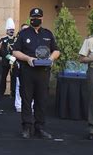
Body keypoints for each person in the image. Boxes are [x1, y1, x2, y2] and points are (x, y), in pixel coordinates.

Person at [13, 8, 60, 139]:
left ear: (42, 18)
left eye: (38, 17)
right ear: (30, 18)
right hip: (27, 71)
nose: (36, 19)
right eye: (33, 17)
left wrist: (51, 58)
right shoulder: (23, 34)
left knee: (42, 100)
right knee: (26, 100)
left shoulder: (48, 34)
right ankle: (27, 127)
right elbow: (15, 51)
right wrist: (28, 58)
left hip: (43, 72)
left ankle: (40, 127)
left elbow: (56, 50)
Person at [14, 23, 33, 113]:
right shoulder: (18, 40)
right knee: (19, 86)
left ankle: (32, 105)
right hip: (20, 66)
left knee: (32, 88)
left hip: (32, 68)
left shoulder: (33, 40)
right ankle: (18, 105)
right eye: (23, 29)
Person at [0, 18, 17, 97]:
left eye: (12, 30)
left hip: (14, 62)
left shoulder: (17, 40)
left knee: (14, 78)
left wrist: (14, 57)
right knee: (3, 78)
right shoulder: (3, 40)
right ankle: (1, 93)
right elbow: (2, 50)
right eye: (10, 29)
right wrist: (9, 56)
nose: (11, 31)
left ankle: (13, 93)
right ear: (6, 31)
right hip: (5, 63)